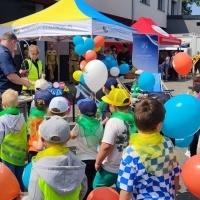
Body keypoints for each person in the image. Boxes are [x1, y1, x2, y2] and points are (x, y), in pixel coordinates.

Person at [117, 98, 181, 200]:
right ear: (159, 125)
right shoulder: (167, 144)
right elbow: (175, 176)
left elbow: (126, 190)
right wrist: (173, 194)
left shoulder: (131, 153)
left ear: (136, 122)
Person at [22, 116, 87, 200]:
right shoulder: (78, 163)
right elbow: (83, 191)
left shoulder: (38, 167)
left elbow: (35, 197)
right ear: (68, 138)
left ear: (42, 139)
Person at [93, 85, 137, 189]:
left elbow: (106, 146)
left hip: (111, 167)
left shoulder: (113, 122)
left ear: (112, 106)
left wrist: (98, 162)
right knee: (123, 192)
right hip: (128, 166)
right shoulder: (133, 118)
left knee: (97, 188)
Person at [70, 98, 103, 199]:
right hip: (95, 158)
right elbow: (101, 142)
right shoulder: (99, 125)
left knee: (83, 186)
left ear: (81, 112)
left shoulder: (79, 125)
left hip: (82, 159)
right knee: (92, 186)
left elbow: (72, 136)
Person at [0, 89, 27, 191]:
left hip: (7, 154)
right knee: (20, 177)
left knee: (9, 177)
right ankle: (21, 194)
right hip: (20, 154)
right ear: (17, 103)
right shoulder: (21, 117)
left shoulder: (2, 119)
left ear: (3, 104)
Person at [27, 89, 53, 163]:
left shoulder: (32, 114)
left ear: (35, 103)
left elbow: (29, 130)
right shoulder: (50, 116)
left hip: (33, 147)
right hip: (47, 147)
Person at [188, 76, 200, 156]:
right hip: (194, 124)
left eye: (197, 85)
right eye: (194, 85)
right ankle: (192, 158)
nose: (195, 87)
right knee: (193, 143)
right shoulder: (191, 93)